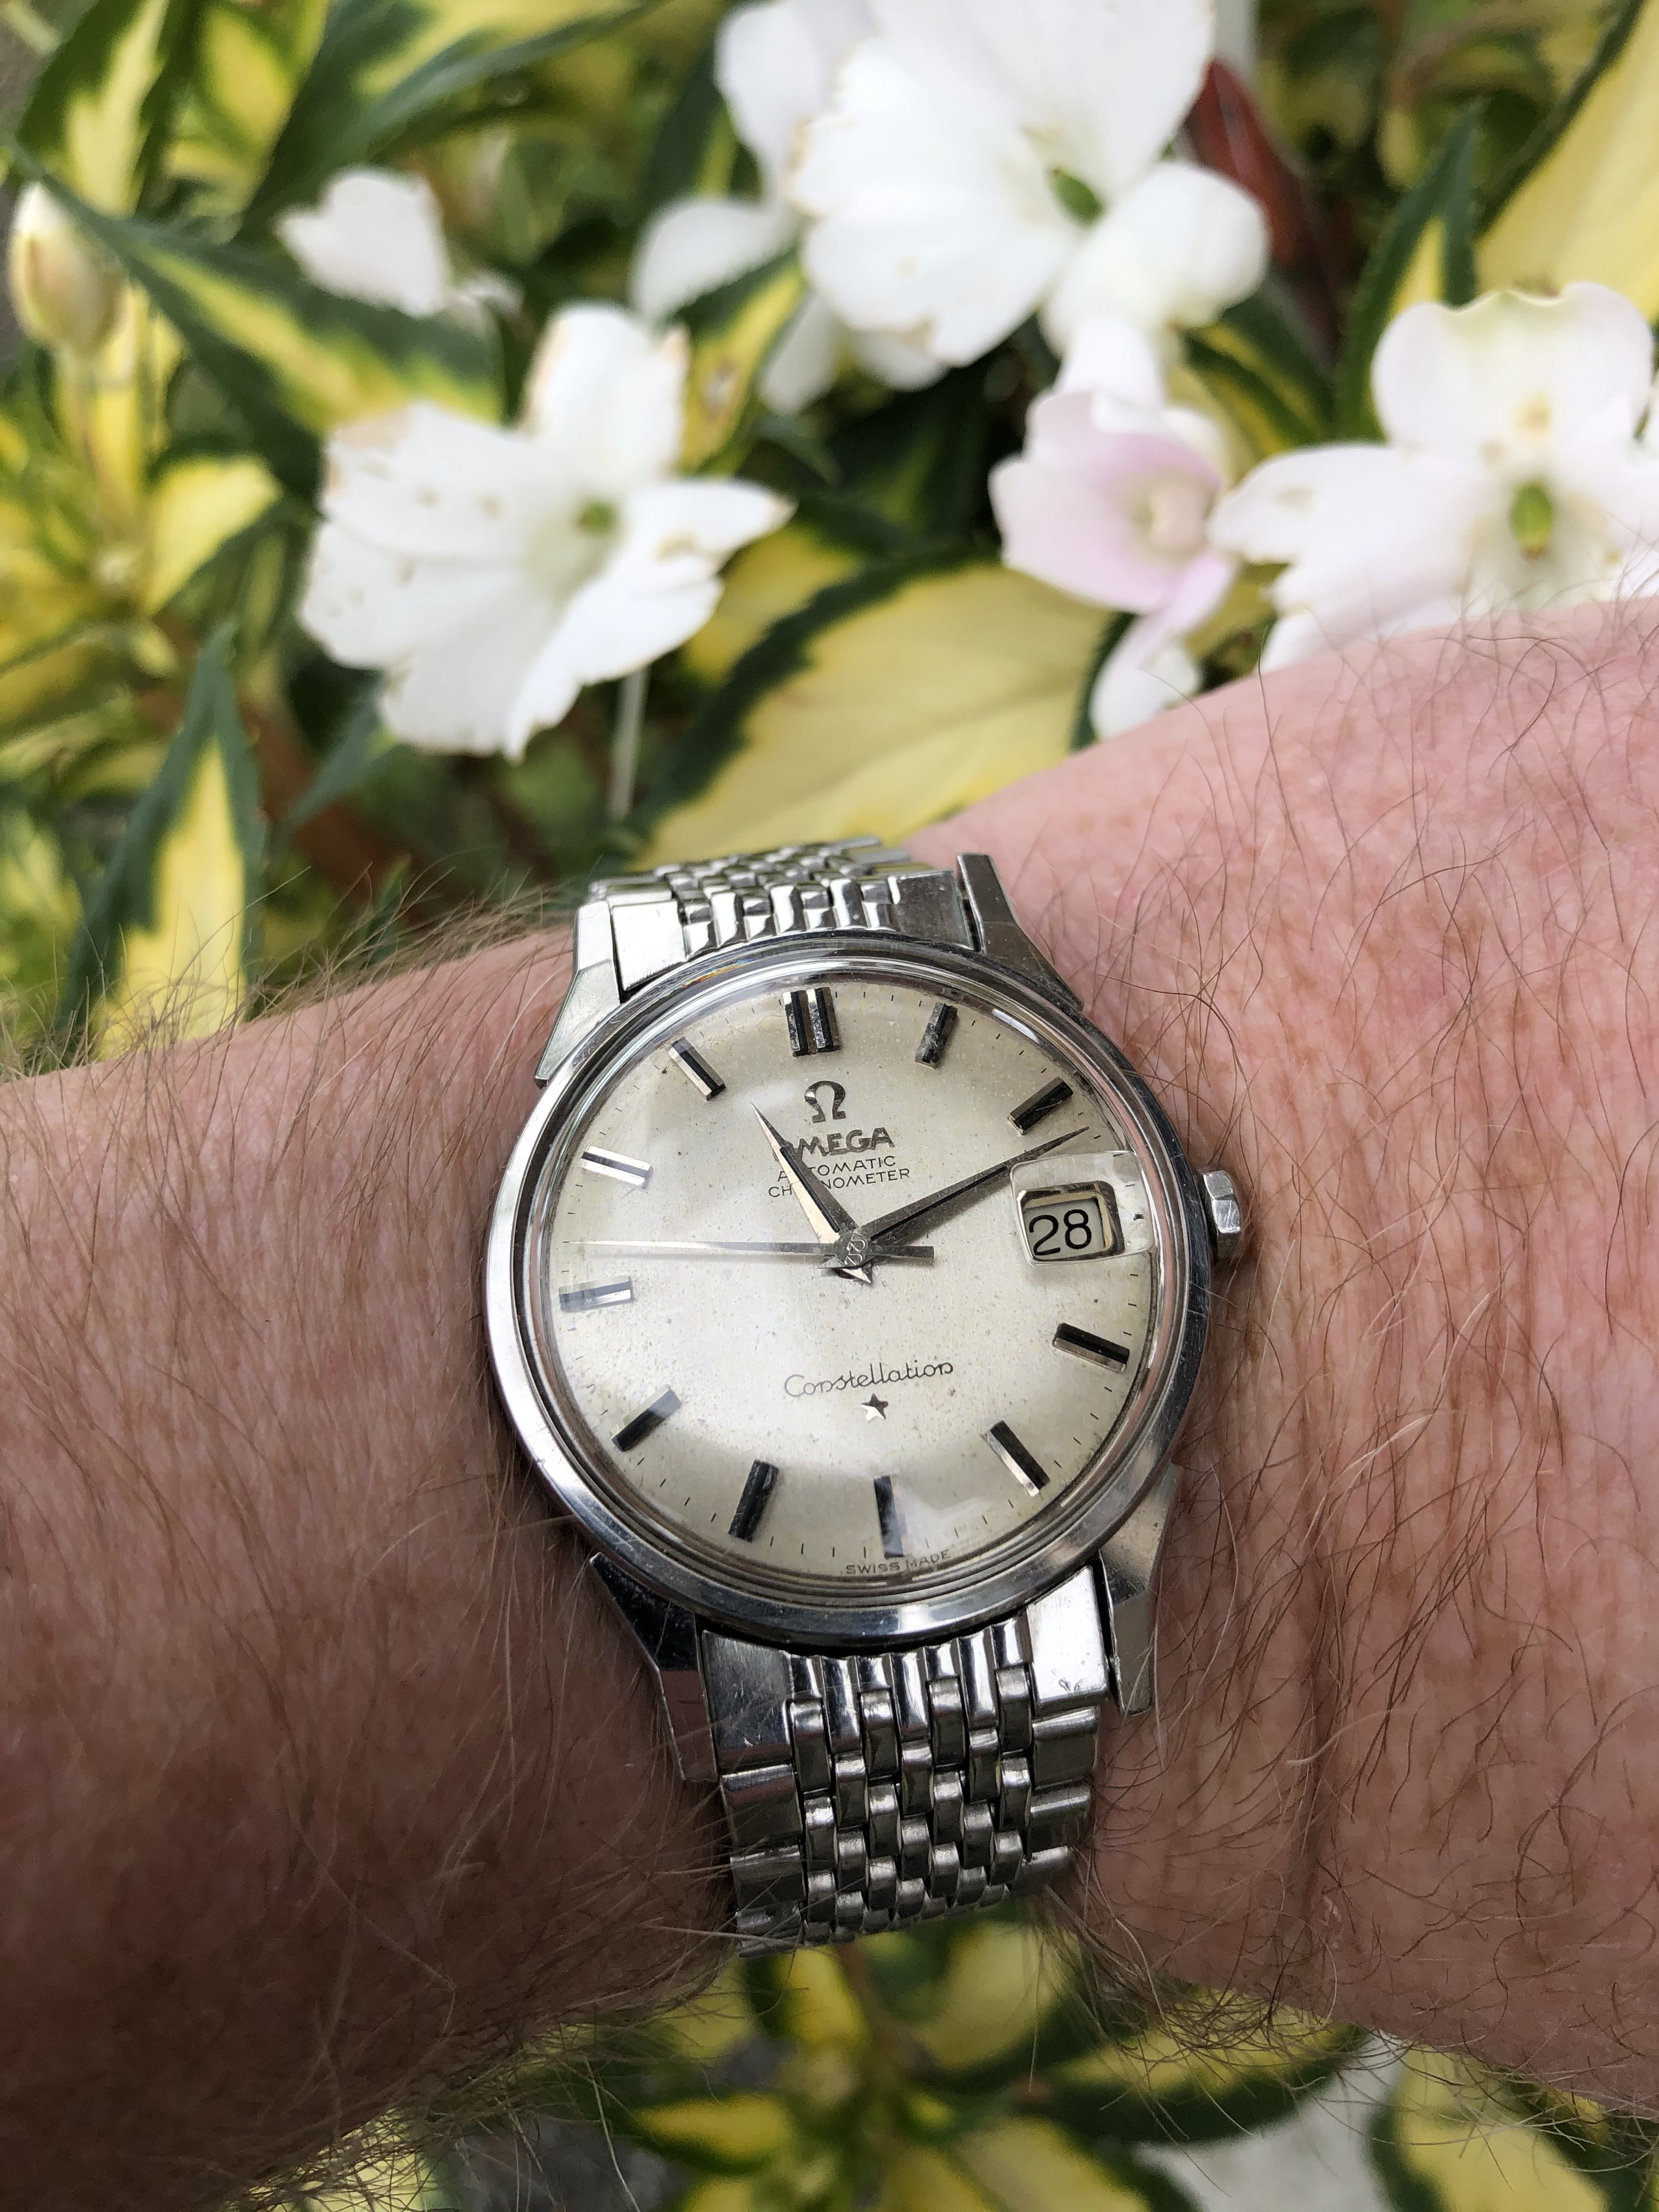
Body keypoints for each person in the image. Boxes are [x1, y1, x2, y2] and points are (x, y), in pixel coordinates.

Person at [4, 603, 1657, 2208]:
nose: (857, 1253)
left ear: (1200, 1212)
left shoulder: (1082, 1177)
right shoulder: (583, 1279)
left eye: (868, 1242)